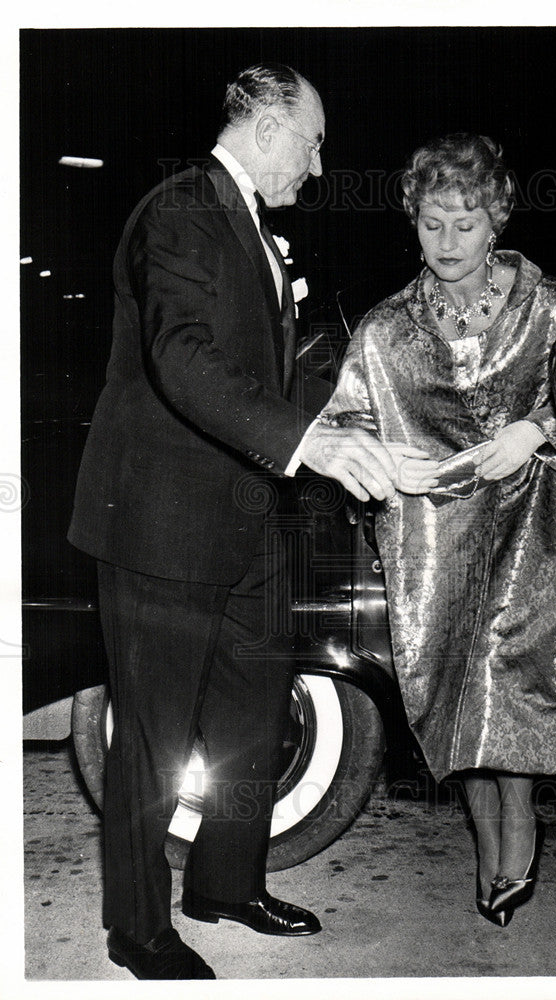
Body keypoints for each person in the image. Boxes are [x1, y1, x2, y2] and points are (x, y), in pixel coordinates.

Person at [67, 63, 436, 980]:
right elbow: (181, 358)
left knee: (253, 709)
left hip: (243, 518)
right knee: (152, 733)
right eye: (312, 144)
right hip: (160, 523)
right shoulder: (180, 211)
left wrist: (370, 431)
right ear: (268, 128)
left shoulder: (252, 228)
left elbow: (269, 380)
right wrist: (303, 443)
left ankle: (225, 884)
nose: (315, 168)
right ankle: (137, 929)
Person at [319, 133, 556, 928]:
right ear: (413, 223)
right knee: (454, 694)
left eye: (465, 222)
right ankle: (485, 828)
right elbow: (344, 425)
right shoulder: (387, 331)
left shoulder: (551, 309)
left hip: (536, 533)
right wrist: (386, 463)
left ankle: (518, 827)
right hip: (433, 544)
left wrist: (536, 430)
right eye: (432, 223)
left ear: (495, 219)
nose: (448, 242)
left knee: (512, 685)